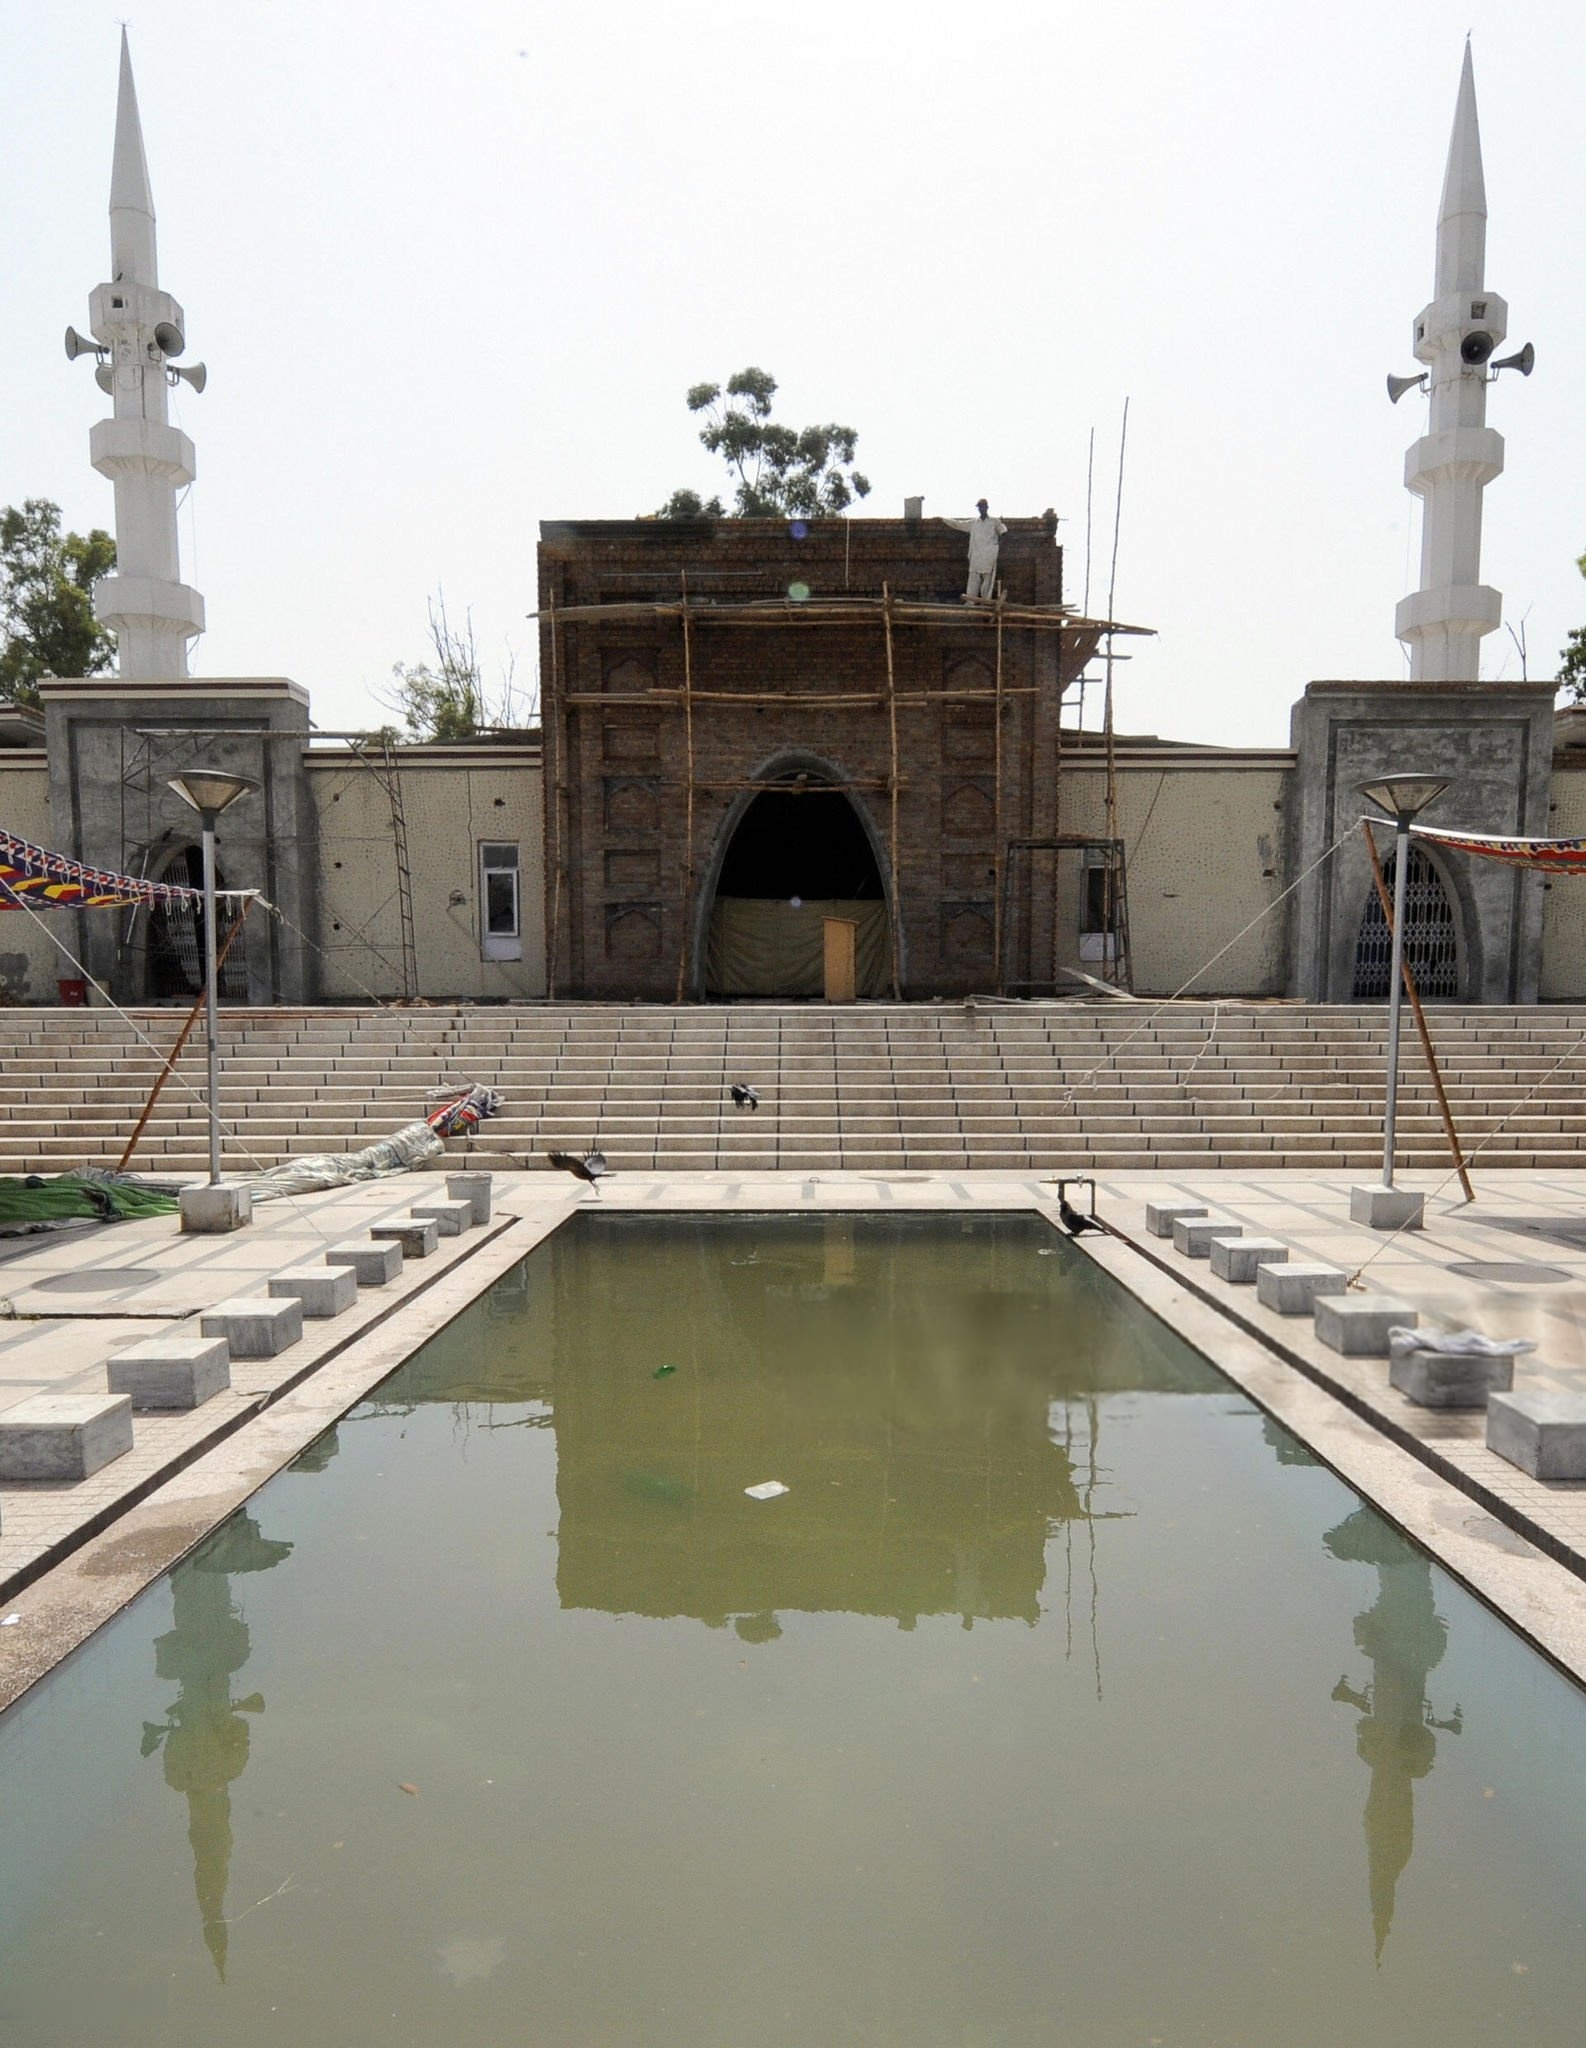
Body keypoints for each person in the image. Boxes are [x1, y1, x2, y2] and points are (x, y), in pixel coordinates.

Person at [942, 499, 1008, 599]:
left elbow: (1004, 532)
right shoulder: (974, 523)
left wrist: (996, 547)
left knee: (987, 586)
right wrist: (943, 519)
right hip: (976, 558)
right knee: (973, 584)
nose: (981, 509)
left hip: (988, 558)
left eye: (983, 507)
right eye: (979, 507)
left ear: (987, 507)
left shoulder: (994, 522)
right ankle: (970, 604)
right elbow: (959, 524)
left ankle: (986, 605)